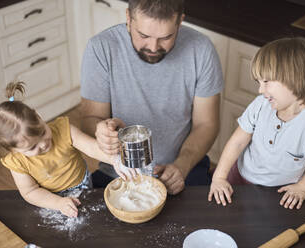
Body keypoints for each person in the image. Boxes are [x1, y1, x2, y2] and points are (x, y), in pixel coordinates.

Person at [79, 0, 223, 194]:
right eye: (144, 35)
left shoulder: (202, 49)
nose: (153, 47)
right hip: (120, 171)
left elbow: (206, 124)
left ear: (180, 22)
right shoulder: (102, 48)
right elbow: (90, 120)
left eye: (166, 37)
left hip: (185, 166)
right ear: (129, 18)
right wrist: (101, 132)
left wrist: (182, 165)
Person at [208, 37, 305, 209]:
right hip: (239, 176)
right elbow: (238, 142)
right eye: (258, 82)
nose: (261, 90)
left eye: (266, 82)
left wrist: (302, 188)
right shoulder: (261, 104)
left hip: (278, 191)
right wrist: (219, 177)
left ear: (294, 77)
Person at [0, 82, 129, 218]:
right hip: (49, 197)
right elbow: (30, 191)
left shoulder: (63, 129)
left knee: (91, 215)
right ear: (14, 150)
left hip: (83, 184)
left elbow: (91, 147)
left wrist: (114, 160)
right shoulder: (16, 162)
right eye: (32, 147)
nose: (43, 144)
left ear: (38, 116)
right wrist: (58, 203)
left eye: (43, 133)